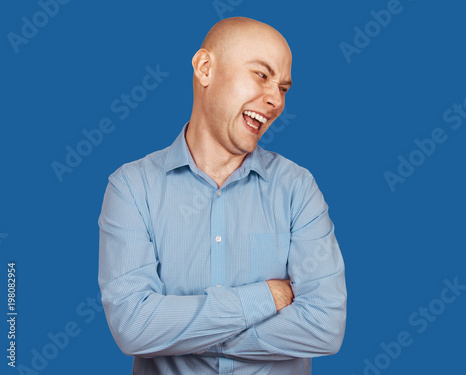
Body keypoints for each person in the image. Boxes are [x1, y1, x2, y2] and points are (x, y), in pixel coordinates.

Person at [98, 17, 346, 375]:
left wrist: (181, 336)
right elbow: (132, 327)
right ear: (204, 68)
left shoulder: (297, 188)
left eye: (284, 88)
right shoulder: (131, 187)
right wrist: (267, 297)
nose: (276, 99)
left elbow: (326, 327)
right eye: (262, 75)